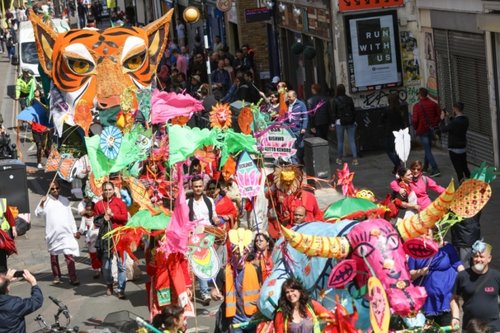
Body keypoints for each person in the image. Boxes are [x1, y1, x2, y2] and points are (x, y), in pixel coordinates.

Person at [408, 230, 464, 327]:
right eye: (422, 234)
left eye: (428, 234)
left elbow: (458, 265)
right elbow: (409, 274)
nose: (425, 236)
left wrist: (467, 279)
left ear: (433, 235)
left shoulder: (447, 248)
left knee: (447, 328)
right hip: (426, 301)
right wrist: (420, 272)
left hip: (446, 299)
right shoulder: (414, 251)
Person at [35, 181, 80, 285]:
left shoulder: (65, 200)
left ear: (60, 188)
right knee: (54, 256)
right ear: (49, 190)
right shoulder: (45, 200)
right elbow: (38, 214)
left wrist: (74, 231)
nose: (55, 190)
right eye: (52, 189)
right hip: (52, 233)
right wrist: (42, 203)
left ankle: (73, 277)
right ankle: (56, 276)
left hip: (66, 233)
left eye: (57, 188)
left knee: (69, 255)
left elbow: (70, 217)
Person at [451, 241, 500, 332]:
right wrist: (455, 317)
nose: (478, 259)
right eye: (476, 256)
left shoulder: (497, 276)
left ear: (489, 259)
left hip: (494, 327)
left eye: (482, 256)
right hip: (471, 327)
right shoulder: (462, 276)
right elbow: (453, 298)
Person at [211, 245, 261, 333]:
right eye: (237, 254)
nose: (241, 256)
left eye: (244, 253)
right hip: (234, 319)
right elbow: (215, 290)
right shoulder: (224, 271)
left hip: (252, 318)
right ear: (232, 253)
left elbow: (261, 288)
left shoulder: (255, 269)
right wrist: (214, 294)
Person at [94, 181, 129, 299]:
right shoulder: (99, 205)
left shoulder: (120, 203)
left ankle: (121, 289)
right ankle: (109, 283)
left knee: (121, 265)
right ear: (102, 191)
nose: (108, 192)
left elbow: (125, 218)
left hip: (120, 237)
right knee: (106, 266)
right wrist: (104, 218)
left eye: (110, 189)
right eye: (105, 190)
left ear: (114, 190)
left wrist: (113, 215)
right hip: (106, 238)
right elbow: (96, 222)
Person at [188, 176, 218, 305]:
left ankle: (213, 288)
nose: (198, 188)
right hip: (195, 236)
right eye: (196, 186)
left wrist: (218, 221)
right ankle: (205, 292)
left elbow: (214, 216)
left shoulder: (209, 201)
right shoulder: (188, 202)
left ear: (203, 187)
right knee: (200, 263)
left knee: (210, 261)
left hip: (209, 235)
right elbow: (185, 220)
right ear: (192, 187)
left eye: (200, 186)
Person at [0, 269, 43, 333]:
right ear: (7, 288)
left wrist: (7, 280)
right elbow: (37, 301)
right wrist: (33, 283)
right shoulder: (14, 304)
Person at [412, 88, 441, 177]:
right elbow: (439, 115)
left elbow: (415, 120)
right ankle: (425, 167)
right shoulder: (433, 104)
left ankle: (435, 169)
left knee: (427, 150)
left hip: (422, 130)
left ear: (420, 95)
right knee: (427, 148)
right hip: (431, 129)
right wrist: (434, 123)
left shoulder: (417, 106)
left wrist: (416, 128)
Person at [440, 101, 470, 182]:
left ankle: (462, 186)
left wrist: (442, 119)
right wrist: (449, 116)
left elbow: (443, 129)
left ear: (455, 109)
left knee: (458, 170)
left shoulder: (454, 122)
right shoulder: (466, 120)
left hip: (454, 149)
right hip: (463, 147)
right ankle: (471, 183)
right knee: (465, 167)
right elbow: (456, 122)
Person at [331, 84, 358, 166]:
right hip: (351, 121)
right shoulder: (349, 99)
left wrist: (333, 123)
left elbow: (333, 113)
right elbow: (353, 110)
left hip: (340, 122)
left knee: (340, 141)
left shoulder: (335, 100)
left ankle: (339, 159)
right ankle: (355, 159)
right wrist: (354, 120)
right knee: (352, 141)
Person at [381, 93, 406, 174]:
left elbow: (382, 120)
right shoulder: (400, 109)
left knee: (389, 150)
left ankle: (398, 165)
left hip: (390, 133)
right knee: (396, 150)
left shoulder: (387, 110)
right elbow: (403, 121)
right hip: (399, 132)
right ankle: (396, 167)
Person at [77, 198, 101, 279]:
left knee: (101, 254)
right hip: (90, 239)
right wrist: (79, 233)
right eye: (87, 210)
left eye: (91, 210)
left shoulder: (97, 216)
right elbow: (82, 227)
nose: (89, 212)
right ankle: (97, 270)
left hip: (98, 237)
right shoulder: (84, 217)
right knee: (93, 255)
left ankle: (103, 268)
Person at [284, 90, 308, 163]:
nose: (288, 98)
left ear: (295, 96)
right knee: (292, 148)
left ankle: (301, 160)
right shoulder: (288, 105)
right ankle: (295, 165)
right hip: (290, 130)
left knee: (301, 147)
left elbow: (305, 116)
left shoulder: (301, 104)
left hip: (299, 129)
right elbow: (287, 117)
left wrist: (304, 127)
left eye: (290, 97)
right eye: (288, 97)